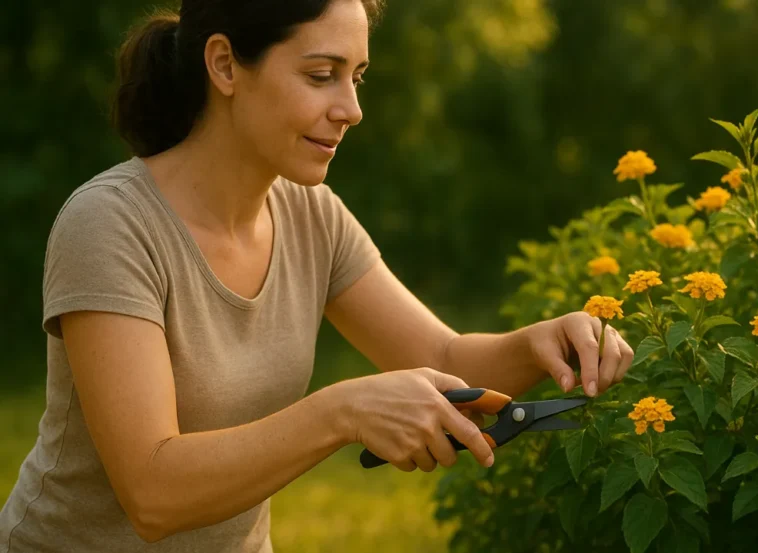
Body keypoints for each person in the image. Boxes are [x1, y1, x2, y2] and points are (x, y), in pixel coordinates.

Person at [0, 0, 635, 550]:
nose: (352, 109)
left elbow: (442, 355)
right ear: (223, 65)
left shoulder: (310, 216)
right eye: (321, 75)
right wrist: (342, 411)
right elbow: (152, 491)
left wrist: (535, 343)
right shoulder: (110, 226)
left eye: (357, 77)